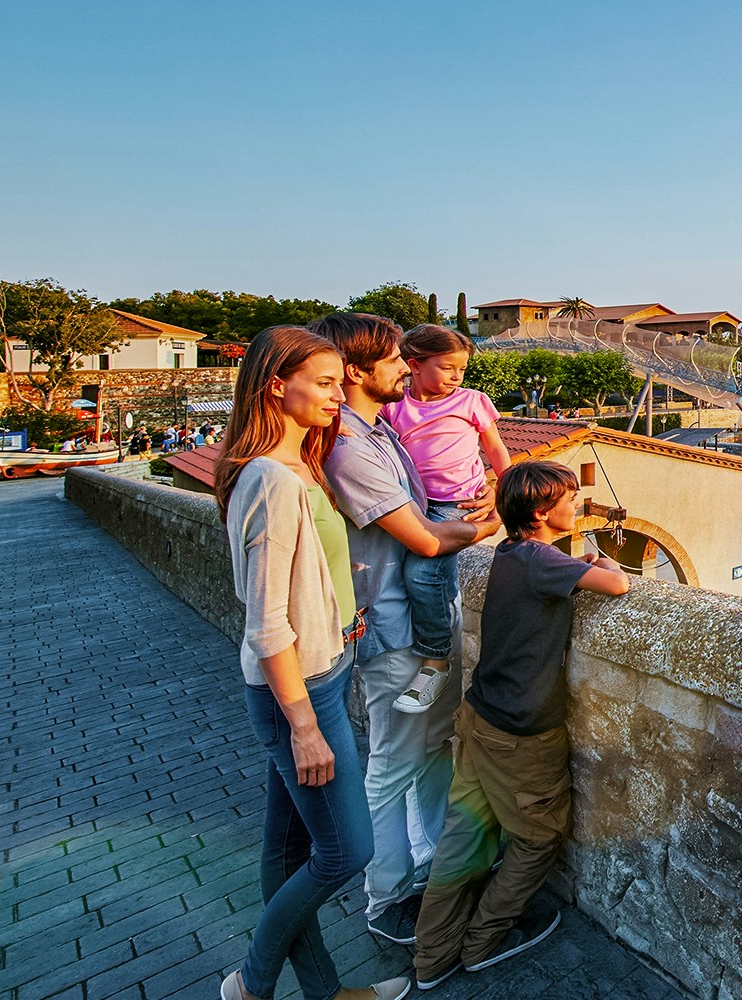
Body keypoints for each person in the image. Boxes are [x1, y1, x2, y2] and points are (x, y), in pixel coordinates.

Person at [213, 325, 409, 1000]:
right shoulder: (270, 477)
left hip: (324, 667)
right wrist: (303, 725)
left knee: (290, 850)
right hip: (298, 692)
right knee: (345, 852)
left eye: (339, 381)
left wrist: (340, 605)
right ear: (276, 385)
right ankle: (252, 982)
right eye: (324, 383)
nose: (338, 393)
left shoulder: (301, 465)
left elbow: (305, 576)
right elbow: (265, 622)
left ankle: (323, 994)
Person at [311, 313, 502, 948]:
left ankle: (432, 868)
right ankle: (386, 896)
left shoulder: (375, 432)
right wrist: (489, 523)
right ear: (358, 370)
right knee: (393, 762)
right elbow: (422, 534)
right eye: (394, 359)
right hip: (393, 630)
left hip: (415, 622)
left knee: (424, 753)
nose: (404, 366)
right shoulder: (350, 447)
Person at [412, 460, 630, 988]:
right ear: (540, 512)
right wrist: (599, 560)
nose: (576, 503)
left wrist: (578, 559)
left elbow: (553, 576)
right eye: (569, 498)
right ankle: (482, 942)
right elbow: (618, 585)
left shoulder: (513, 554)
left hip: (481, 715)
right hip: (523, 731)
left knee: (463, 836)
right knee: (538, 839)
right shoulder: (541, 562)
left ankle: (430, 956)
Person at [380, 325, 510, 715]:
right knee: (407, 572)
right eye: (448, 367)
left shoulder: (472, 401)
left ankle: (436, 659)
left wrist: (504, 490)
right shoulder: (393, 408)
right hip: (416, 501)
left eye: (462, 370)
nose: (457, 376)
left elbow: (496, 449)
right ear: (415, 365)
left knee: (423, 573)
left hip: (459, 502)